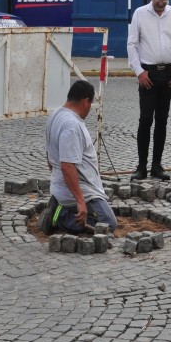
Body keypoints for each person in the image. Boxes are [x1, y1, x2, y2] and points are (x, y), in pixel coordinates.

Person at [127, 0, 171, 181]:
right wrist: (139, 72)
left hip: (168, 74)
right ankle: (141, 166)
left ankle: (157, 166)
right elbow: (132, 45)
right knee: (145, 120)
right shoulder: (140, 14)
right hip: (148, 74)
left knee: (162, 121)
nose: (161, 3)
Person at [45, 80, 117, 233]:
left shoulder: (55, 115)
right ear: (86, 102)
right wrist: (80, 201)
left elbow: (49, 155)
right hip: (82, 190)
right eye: (90, 104)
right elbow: (67, 166)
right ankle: (59, 215)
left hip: (62, 187)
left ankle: (60, 206)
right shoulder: (72, 126)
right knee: (108, 224)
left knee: (103, 218)